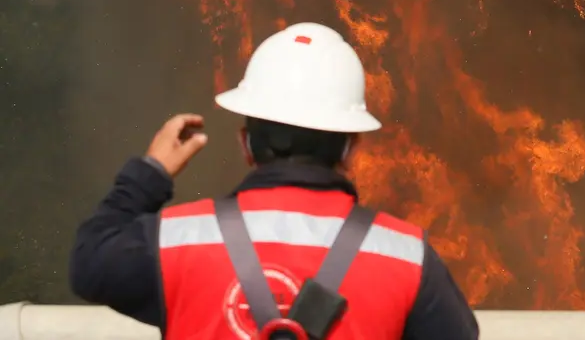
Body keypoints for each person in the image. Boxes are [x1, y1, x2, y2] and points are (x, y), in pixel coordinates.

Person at [70, 22, 480, 340]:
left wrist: (150, 173)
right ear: (350, 149)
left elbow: (89, 263)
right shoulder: (407, 258)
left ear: (247, 144)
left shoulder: (177, 243)